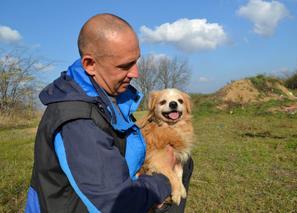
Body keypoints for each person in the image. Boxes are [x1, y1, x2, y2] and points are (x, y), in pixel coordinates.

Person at [25, 13, 193, 213]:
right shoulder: (77, 122)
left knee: (186, 163)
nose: (135, 73)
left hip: (120, 187)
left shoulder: (108, 95)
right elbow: (116, 204)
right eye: (124, 66)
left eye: (136, 61)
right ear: (90, 64)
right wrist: (164, 179)